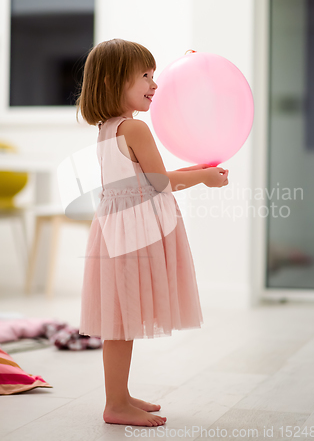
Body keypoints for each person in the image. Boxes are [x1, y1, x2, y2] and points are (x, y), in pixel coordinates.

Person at [75, 38, 229, 427]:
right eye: (145, 75)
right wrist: (205, 177)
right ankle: (115, 404)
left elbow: (141, 179)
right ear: (112, 81)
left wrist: (198, 170)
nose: (154, 85)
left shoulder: (107, 129)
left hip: (115, 228)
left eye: (155, 75)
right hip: (133, 234)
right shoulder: (135, 128)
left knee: (120, 319)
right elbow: (160, 182)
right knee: (122, 322)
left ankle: (121, 395)